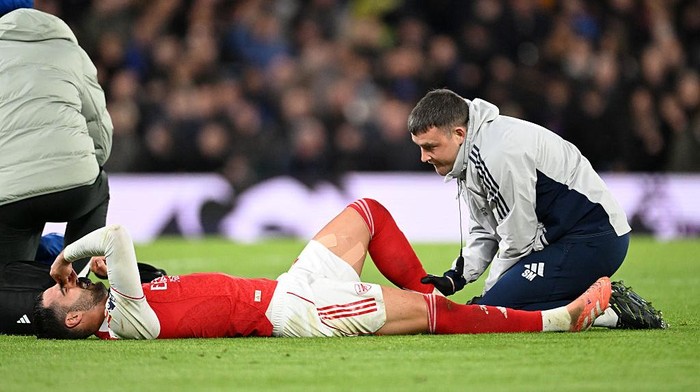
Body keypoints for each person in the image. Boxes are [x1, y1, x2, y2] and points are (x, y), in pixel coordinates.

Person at [33, 198, 610, 339]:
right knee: (432, 315)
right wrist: (67, 254)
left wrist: (95, 270)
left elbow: (143, 267)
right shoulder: (128, 319)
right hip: (301, 312)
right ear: (77, 321)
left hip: (290, 283)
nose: (65, 283)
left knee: (367, 214)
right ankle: (559, 319)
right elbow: (119, 234)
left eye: (59, 281)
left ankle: (441, 291)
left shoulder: (120, 298)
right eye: (60, 293)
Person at [408, 88, 666, 329]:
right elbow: (487, 228)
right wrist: (457, 276)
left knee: (488, 313)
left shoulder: (497, 154)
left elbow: (518, 237)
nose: (423, 157)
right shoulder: (475, 150)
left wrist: (490, 298)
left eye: (430, 147)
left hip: (592, 238)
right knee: (490, 309)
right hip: (568, 238)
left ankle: (610, 309)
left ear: (458, 134)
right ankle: (591, 301)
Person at [0, 1, 113, 335]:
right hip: (75, 184)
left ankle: (36, 302)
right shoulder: (65, 42)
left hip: (8, 195)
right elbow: (98, 123)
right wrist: (89, 162)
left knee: (9, 274)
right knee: (98, 186)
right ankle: (75, 284)